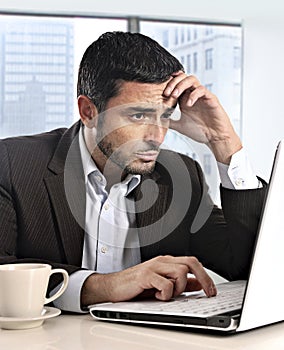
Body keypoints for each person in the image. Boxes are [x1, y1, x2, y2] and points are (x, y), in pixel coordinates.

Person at [0, 31, 266, 313]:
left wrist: (223, 143)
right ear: (88, 111)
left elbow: (248, 265)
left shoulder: (180, 177)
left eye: (165, 115)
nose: (157, 136)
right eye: (138, 115)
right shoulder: (12, 164)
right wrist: (105, 286)